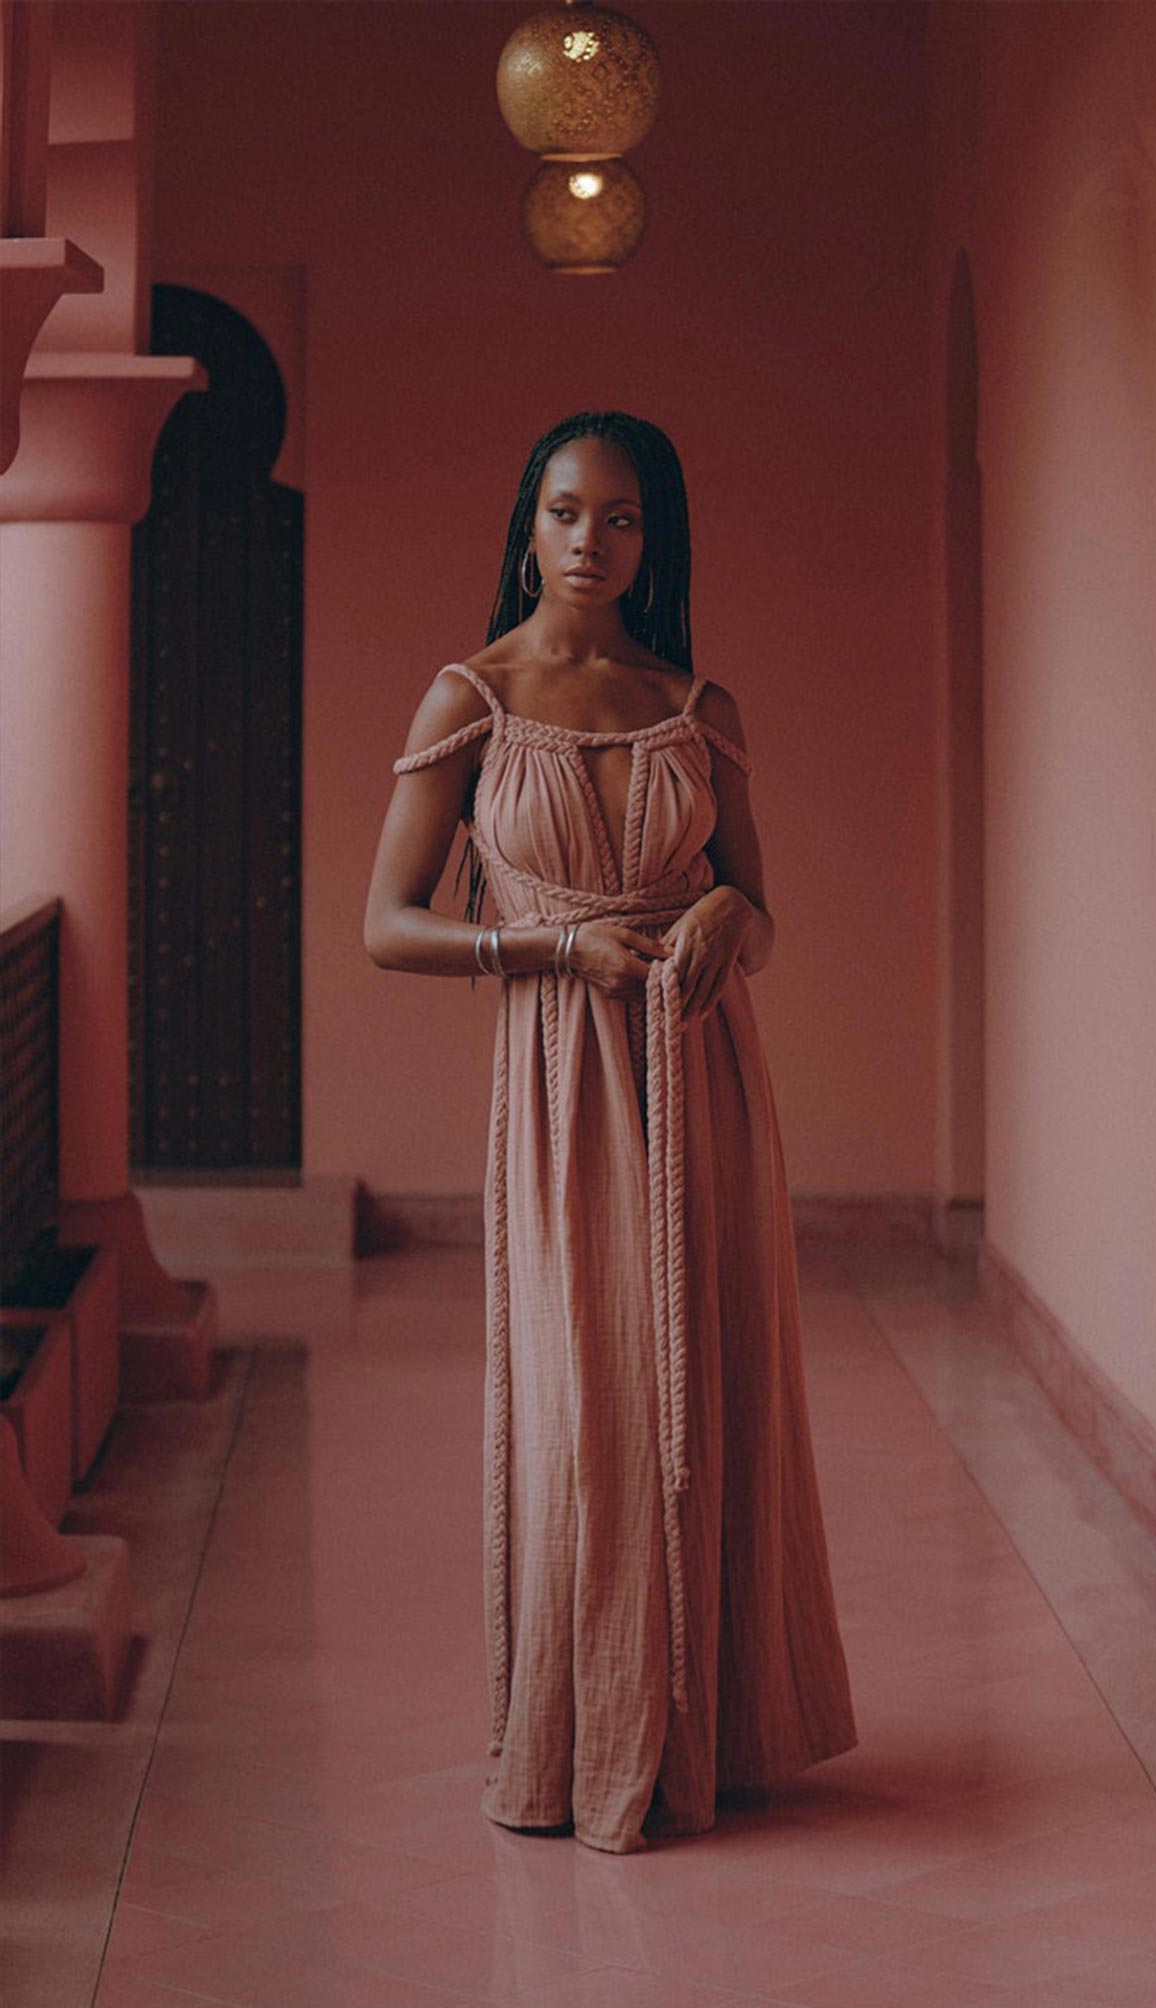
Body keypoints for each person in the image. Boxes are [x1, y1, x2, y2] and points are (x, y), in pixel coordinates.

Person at [364, 409, 857, 1854]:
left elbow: (759, 917)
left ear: (657, 539)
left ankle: (708, 1736)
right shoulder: (469, 697)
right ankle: (585, 1741)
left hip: (700, 1081)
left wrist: (717, 910)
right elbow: (384, 926)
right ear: (526, 521)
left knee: (706, 1397)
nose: (593, 542)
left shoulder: (696, 702)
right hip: (560, 1078)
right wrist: (542, 956)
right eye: (568, 511)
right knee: (590, 1409)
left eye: (623, 518)